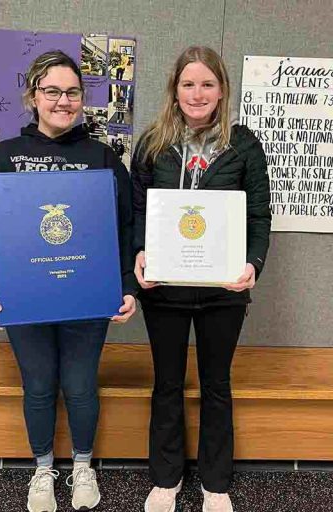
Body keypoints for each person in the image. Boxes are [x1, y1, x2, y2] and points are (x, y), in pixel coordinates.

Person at [0, 50, 138, 512]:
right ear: (33, 96)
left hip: (88, 297)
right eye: (52, 91)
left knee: (82, 385)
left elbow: (124, 227)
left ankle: (82, 465)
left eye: (71, 92)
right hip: (25, 297)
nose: (62, 101)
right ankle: (44, 469)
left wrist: (127, 284)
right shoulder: (5, 156)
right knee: (39, 386)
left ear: (82, 98)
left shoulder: (103, 157)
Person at [131, 46, 270, 512]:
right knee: (167, 383)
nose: (197, 93)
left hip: (222, 292)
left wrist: (253, 263)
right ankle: (166, 480)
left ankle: (215, 483)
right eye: (188, 83)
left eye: (207, 83)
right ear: (174, 88)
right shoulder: (152, 143)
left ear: (222, 89)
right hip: (165, 290)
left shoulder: (243, 144)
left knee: (216, 384)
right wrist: (139, 254)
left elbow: (257, 213)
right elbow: (136, 211)